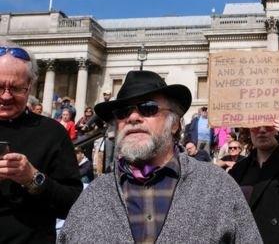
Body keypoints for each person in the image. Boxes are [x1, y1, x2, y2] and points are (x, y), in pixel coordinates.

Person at [58, 70, 261, 243]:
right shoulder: (92, 197)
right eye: (123, 111)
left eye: (147, 108)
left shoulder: (218, 187)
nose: (133, 117)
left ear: (174, 124)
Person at [0, 41, 83, 243]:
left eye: (17, 88)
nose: (6, 96)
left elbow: (74, 206)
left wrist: (33, 179)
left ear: (30, 87)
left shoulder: (53, 133)